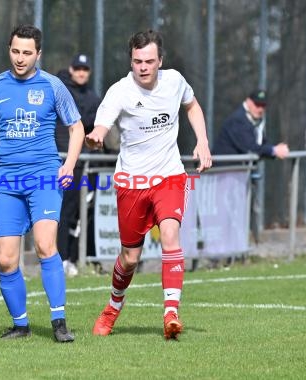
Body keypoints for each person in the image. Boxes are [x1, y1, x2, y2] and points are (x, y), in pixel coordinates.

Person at [85, 29, 212, 340]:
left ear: (160, 61)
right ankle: (113, 306)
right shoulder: (120, 91)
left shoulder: (175, 81)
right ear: (131, 61)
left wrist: (203, 142)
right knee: (130, 258)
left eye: (149, 61)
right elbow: (103, 122)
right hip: (132, 182)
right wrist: (98, 134)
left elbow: (192, 106)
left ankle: (171, 312)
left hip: (169, 175)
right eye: (137, 61)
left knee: (170, 234)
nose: (142, 67)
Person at [0, 24, 85, 342]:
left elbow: (77, 129)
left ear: (38, 54)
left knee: (46, 245)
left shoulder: (53, 86)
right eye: (15, 51)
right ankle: (20, 325)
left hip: (45, 175)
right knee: (6, 259)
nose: (20, 59)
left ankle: (59, 322)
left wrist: (69, 165)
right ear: (10, 50)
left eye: (27, 53)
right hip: (7, 179)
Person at [212, 90, 290, 244]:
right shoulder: (238, 120)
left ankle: (238, 250)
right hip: (225, 175)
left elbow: (261, 144)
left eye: (263, 106)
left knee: (240, 214)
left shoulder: (256, 122)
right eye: (257, 104)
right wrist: (274, 150)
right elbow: (249, 146)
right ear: (248, 102)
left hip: (239, 175)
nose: (260, 109)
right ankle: (221, 252)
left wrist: (273, 148)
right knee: (225, 215)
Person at [55, 53, 102, 277]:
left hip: (84, 163)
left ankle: (72, 258)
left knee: (80, 213)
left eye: (85, 69)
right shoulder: (58, 90)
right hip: (61, 161)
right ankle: (61, 258)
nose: (81, 72)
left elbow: (98, 129)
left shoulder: (92, 98)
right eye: (77, 68)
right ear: (71, 69)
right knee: (62, 212)